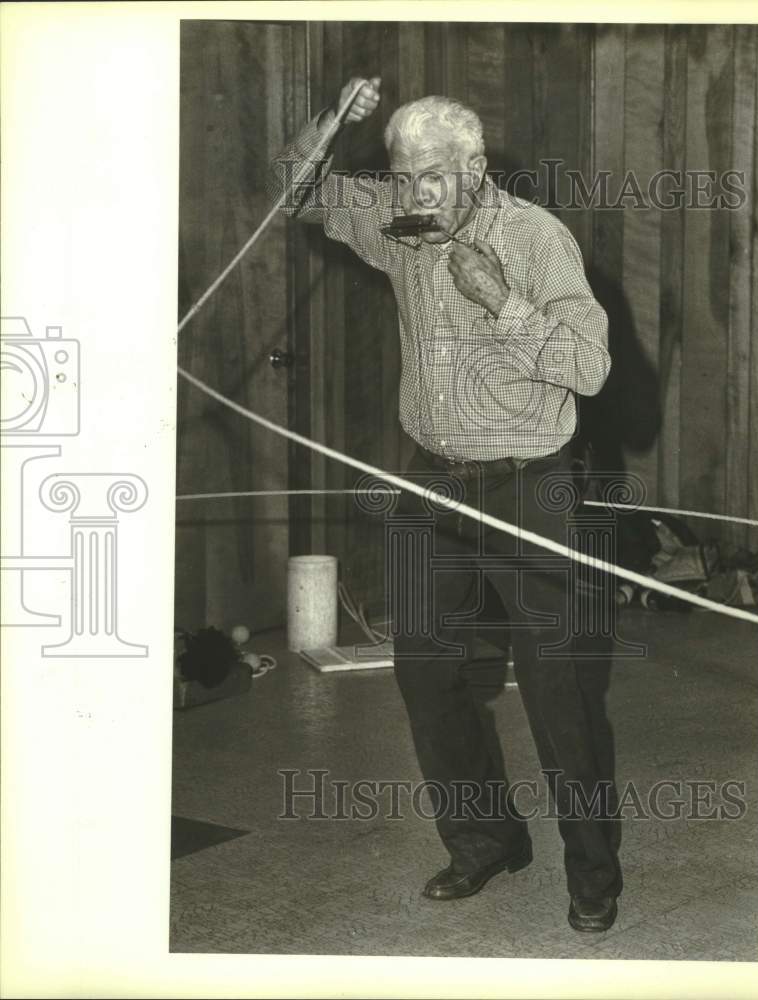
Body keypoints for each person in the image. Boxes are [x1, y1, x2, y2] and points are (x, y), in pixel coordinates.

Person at [270, 77, 621, 933]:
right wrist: (329, 122)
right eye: (399, 174)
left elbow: (590, 367)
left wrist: (501, 300)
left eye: (431, 175)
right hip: (432, 482)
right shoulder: (401, 229)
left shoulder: (536, 238)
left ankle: (594, 873)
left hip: (529, 483)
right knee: (425, 671)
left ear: (475, 166)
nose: (414, 192)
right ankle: (483, 842)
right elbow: (296, 189)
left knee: (556, 686)